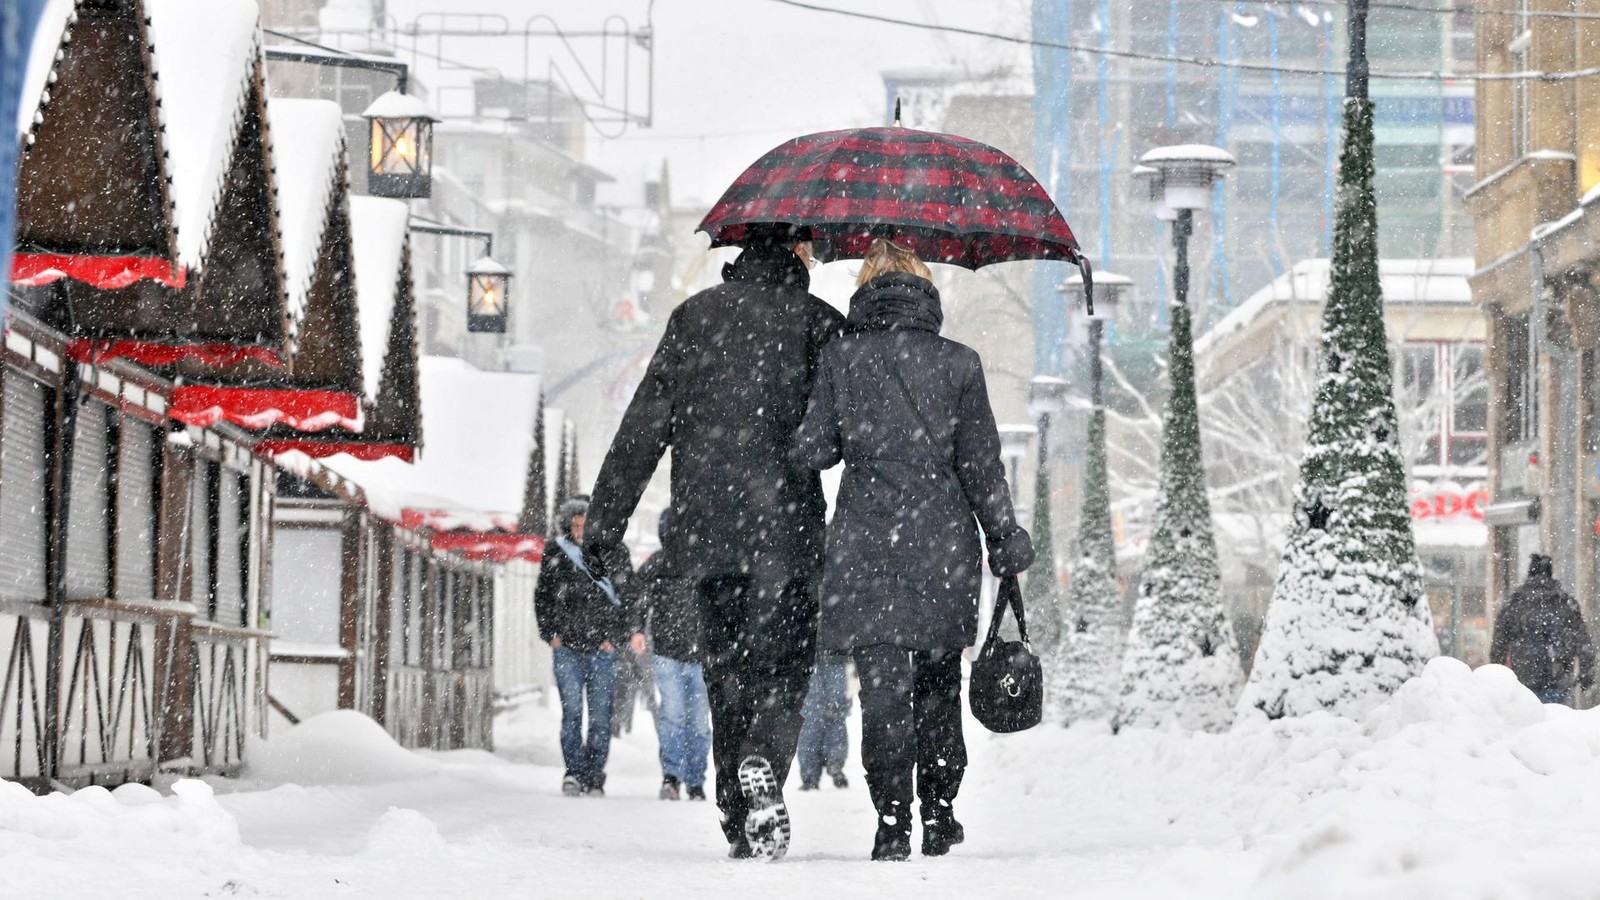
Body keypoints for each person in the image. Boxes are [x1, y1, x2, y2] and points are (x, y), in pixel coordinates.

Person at [585, 223, 846, 860]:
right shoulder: (820, 324)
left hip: (705, 535)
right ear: (797, 251)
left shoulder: (694, 318)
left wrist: (604, 521)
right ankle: (762, 762)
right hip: (786, 534)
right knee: (784, 670)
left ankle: (736, 815)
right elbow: (839, 430)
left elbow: (645, 422)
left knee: (726, 673)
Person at [794, 238, 1034, 861]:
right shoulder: (960, 363)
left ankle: (891, 820)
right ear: (927, 290)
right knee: (936, 684)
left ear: (865, 289)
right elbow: (982, 467)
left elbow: (812, 452)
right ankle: (940, 810)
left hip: (866, 545)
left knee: (880, 687)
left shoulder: (840, 358)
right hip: (941, 545)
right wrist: (1005, 535)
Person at [534, 497, 633, 797]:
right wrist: (550, 632)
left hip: (602, 650)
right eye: (575, 525)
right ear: (567, 526)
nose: (580, 530)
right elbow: (543, 595)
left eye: (585, 525)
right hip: (567, 648)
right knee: (573, 712)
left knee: (601, 716)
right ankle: (574, 772)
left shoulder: (615, 552)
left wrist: (615, 637)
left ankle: (595, 775)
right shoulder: (555, 553)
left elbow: (628, 596)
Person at [628, 510, 711, 802]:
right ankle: (672, 776)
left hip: (702, 656)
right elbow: (637, 596)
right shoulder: (657, 564)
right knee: (673, 717)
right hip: (667, 654)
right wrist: (637, 629)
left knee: (700, 723)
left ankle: (696, 780)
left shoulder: (708, 562)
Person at [1491, 554, 1596, 705]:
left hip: (1523, 677)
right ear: (1550, 574)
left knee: (1527, 719)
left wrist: (1497, 674)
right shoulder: (1565, 603)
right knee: (1556, 720)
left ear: (1529, 574)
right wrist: (1586, 673)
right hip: (1558, 676)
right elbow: (1583, 641)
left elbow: (1499, 643)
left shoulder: (1514, 603)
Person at [795, 652, 851, 791]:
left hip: (820, 654)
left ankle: (816, 770)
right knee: (829, 714)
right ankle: (831, 762)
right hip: (832, 653)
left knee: (815, 716)